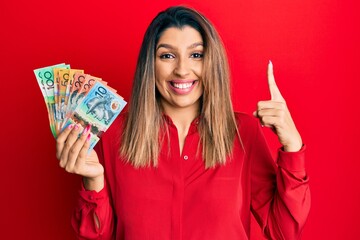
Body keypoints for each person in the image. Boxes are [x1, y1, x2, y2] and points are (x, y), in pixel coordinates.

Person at [56, 5, 310, 240]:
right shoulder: (113, 135)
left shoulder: (244, 133)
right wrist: (94, 182)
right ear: (150, 65)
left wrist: (293, 147)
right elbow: (97, 236)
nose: (182, 70)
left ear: (212, 62)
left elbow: (283, 231)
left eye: (196, 55)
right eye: (167, 56)